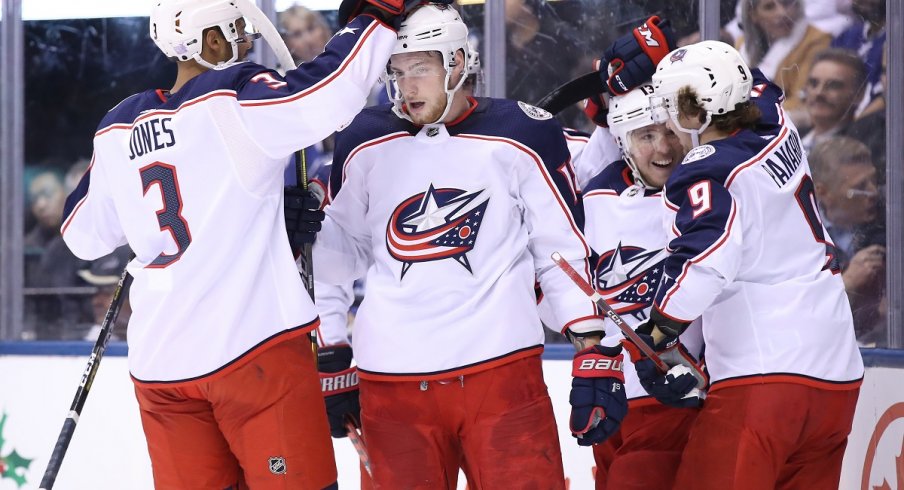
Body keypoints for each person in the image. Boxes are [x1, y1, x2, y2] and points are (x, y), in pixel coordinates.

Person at [59, 0, 429, 487]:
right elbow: (327, 93)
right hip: (254, 355)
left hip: (162, 368)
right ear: (208, 41)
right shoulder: (231, 97)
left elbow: (81, 234)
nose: (248, 40)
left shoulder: (116, 127)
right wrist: (377, 15)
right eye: (234, 29)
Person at [309, 4, 626, 488]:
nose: (406, 87)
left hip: (501, 377)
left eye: (420, 68)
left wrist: (590, 347)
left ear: (457, 63)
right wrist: (302, 234)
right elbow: (344, 254)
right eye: (396, 72)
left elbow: (559, 251)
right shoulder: (364, 138)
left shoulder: (523, 132)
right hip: (392, 386)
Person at [646, 40, 863, 489]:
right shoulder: (778, 123)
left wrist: (660, 330)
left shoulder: (708, 169)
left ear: (694, 113)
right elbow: (754, 85)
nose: (666, 122)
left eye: (670, 107)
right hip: (836, 375)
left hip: (764, 378)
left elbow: (707, 258)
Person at [582, 83, 706, 489]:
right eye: (646, 135)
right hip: (610, 396)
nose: (663, 149)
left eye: (671, 132)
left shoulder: (708, 197)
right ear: (622, 141)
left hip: (672, 399)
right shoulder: (597, 195)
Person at [808, 136, 885, 343]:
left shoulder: (892, 216)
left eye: (874, 180)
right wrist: (848, 282)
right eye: (860, 187)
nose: (873, 192)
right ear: (823, 192)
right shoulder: (799, 235)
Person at [736, 0, 831, 125]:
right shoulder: (742, 44)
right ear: (752, 14)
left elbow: (801, 101)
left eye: (787, 3)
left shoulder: (816, 42)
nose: (782, 13)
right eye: (769, 7)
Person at [800, 48, 867, 150]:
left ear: (858, 95)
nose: (819, 93)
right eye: (813, 84)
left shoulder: (859, 148)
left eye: (833, 85)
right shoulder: (788, 138)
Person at [75, 245, 133, 341]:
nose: (96, 302)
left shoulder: (159, 339)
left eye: (107, 293)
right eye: (96, 293)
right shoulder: (92, 341)